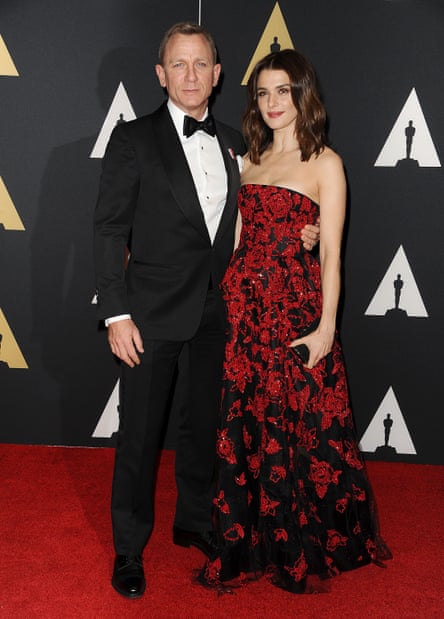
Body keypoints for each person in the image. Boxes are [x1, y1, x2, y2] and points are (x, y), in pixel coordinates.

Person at [93, 24, 319, 599]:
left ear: (218, 76)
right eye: (179, 64)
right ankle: (128, 549)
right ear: (160, 74)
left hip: (222, 316)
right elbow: (108, 230)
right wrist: (116, 313)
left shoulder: (236, 144)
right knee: (140, 437)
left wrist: (303, 233)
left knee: (203, 433)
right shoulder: (133, 139)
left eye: (202, 65)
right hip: (147, 318)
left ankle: (194, 521)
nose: (191, 75)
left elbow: (262, 218)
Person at [199, 48, 391, 594]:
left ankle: (299, 542)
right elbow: (237, 239)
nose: (271, 102)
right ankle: (248, 535)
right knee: (249, 423)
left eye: (282, 90)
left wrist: (327, 327)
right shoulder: (249, 159)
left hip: (293, 311)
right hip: (245, 312)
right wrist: (226, 302)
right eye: (262, 93)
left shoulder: (326, 162)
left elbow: (331, 253)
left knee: (297, 424)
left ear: (303, 93)